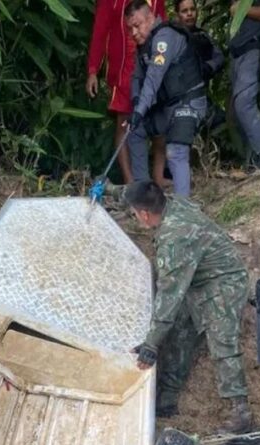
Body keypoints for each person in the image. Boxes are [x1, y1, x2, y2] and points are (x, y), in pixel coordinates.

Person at [93, 178, 251, 430]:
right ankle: (167, 400)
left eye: (134, 215)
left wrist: (150, 345)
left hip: (224, 282)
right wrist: (110, 190)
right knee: (180, 332)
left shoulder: (174, 238)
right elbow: (136, 193)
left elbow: (169, 296)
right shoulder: (168, 203)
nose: (134, 217)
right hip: (198, 279)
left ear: (144, 215)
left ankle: (240, 411)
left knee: (221, 342)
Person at [124, 0, 208, 197]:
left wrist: (139, 111)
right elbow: (137, 77)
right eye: (130, 28)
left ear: (151, 17)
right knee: (134, 131)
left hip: (189, 102)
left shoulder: (164, 38)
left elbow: (154, 77)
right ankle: (145, 197)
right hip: (168, 109)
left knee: (176, 151)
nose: (134, 33)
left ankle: (182, 209)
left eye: (137, 26)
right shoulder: (144, 44)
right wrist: (136, 103)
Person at [87, 0, 168, 186]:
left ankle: (158, 175)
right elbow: (100, 30)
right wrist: (93, 70)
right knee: (124, 123)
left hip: (152, 65)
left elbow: (163, 23)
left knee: (159, 120)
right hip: (124, 70)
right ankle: (130, 181)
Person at [228, 0, 260, 170]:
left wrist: (241, 10)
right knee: (236, 109)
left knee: (244, 102)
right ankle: (253, 162)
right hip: (238, 51)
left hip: (252, 46)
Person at [174, 0, 224, 84]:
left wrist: (208, 66)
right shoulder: (171, 37)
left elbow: (219, 57)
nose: (189, 14)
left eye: (192, 9)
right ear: (178, 15)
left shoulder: (203, 35)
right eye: (184, 11)